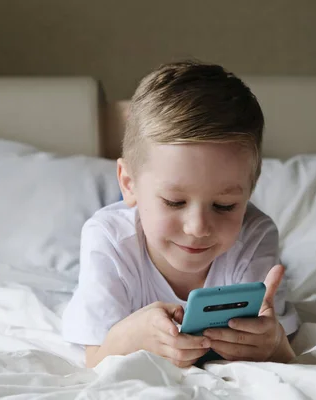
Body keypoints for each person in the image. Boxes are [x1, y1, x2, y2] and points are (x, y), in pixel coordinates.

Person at [62, 60, 300, 368]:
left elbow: (282, 351)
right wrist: (131, 335)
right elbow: (95, 358)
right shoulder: (108, 239)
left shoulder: (255, 235)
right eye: (174, 202)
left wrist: (275, 344)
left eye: (224, 206)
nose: (198, 227)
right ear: (128, 183)